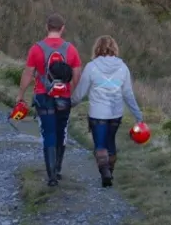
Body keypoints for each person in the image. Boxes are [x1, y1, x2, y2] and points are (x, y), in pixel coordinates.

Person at [16, 13, 82, 187]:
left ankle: (51, 175)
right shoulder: (71, 49)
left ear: (47, 27)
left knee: (49, 133)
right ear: (62, 28)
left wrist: (20, 94)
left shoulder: (36, 49)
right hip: (64, 97)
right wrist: (75, 95)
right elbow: (76, 75)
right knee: (61, 132)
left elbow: (28, 74)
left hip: (43, 96)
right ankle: (58, 169)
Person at [71, 35, 143, 188]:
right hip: (115, 114)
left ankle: (105, 172)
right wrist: (138, 115)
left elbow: (80, 92)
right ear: (115, 48)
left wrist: (70, 104)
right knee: (110, 142)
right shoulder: (123, 68)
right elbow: (128, 94)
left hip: (97, 114)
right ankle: (110, 171)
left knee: (100, 145)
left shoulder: (91, 67)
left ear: (96, 48)